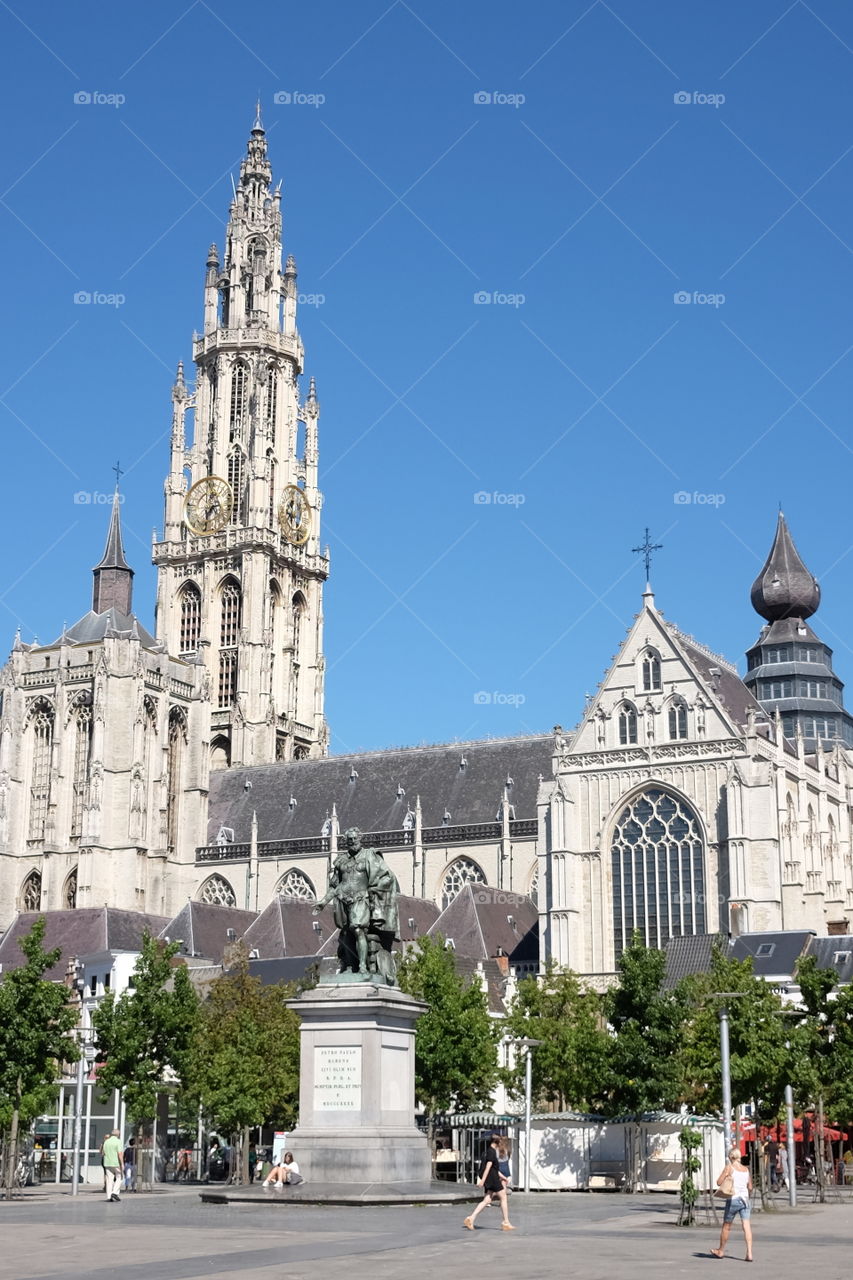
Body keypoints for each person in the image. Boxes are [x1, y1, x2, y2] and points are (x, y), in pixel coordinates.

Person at [463, 1135, 515, 1231]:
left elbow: (493, 1168)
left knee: (487, 1200)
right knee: (503, 1197)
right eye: (500, 1142)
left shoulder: (489, 1151)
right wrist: (482, 1181)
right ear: (497, 1142)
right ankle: (506, 1222)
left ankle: (471, 1218)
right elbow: (488, 1167)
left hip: (492, 1177)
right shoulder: (491, 1152)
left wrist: (503, 1177)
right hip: (492, 1178)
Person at [711, 1147, 753, 1262]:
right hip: (745, 1200)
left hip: (733, 1199)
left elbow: (719, 1182)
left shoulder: (729, 1168)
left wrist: (727, 1177)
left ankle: (721, 1250)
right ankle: (749, 1253)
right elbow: (750, 1187)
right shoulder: (746, 1169)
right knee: (746, 1226)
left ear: (730, 1157)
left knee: (726, 1226)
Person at [101, 1129, 124, 1203]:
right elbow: (120, 1154)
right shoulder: (118, 1141)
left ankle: (108, 1196)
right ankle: (114, 1192)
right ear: (118, 1134)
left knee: (109, 1180)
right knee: (119, 1177)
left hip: (107, 1163)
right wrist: (122, 1163)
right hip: (116, 1163)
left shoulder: (106, 1142)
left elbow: (103, 1153)